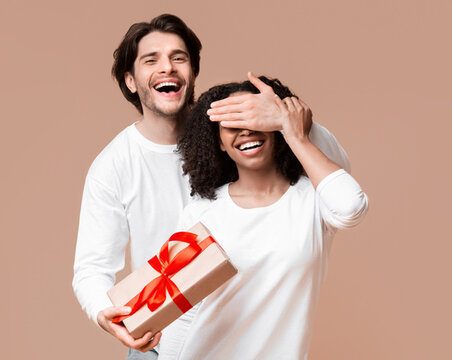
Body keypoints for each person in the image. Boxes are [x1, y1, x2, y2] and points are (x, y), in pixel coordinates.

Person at [71, 14, 351, 359]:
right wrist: (106, 313)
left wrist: (289, 118)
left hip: (244, 330)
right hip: (158, 338)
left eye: (179, 58)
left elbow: (334, 175)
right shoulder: (113, 165)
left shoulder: (236, 132)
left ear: (193, 72)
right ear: (130, 81)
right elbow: (92, 268)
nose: (167, 68)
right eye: (151, 60)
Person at [154, 76, 368, 359]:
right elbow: (184, 312)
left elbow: (351, 205)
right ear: (218, 142)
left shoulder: (313, 201)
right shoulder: (202, 211)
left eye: (255, 119)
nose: (245, 130)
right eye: (232, 124)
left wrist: (294, 127)